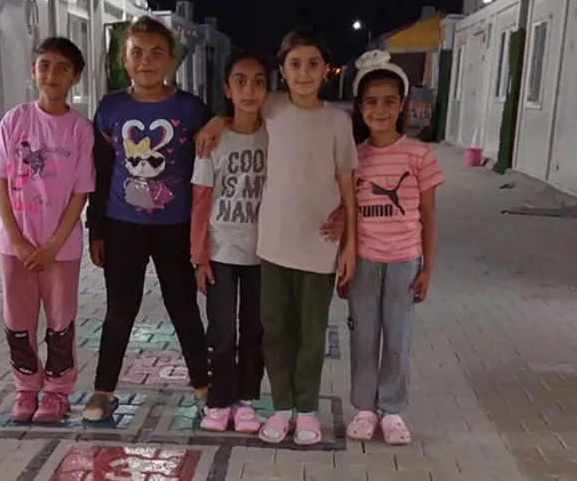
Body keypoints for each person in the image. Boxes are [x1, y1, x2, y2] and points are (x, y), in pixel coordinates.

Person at [196, 28, 358, 445]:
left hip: (320, 245)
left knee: (311, 332)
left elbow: (347, 183)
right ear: (282, 72)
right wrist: (215, 120)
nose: (304, 73)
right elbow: (238, 109)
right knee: (274, 330)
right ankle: (281, 406)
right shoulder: (272, 106)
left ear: (326, 69)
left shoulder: (338, 121)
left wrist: (349, 240)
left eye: (313, 64)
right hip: (271, 245)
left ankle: (307, 410)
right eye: (295, 64)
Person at [82, 16, 211, 422]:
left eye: (156, 53)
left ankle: (204, 388)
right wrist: (96, 229)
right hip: (122, 227)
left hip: (175, 228)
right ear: (124, 60)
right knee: (120, 310)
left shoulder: (190, 108)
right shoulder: (111, 108)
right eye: (136, 53)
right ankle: (103, 392)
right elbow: (101, 172)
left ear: (172, 59)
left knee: (184, 308)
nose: (146, 62)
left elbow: (211, 163)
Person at [0, 36, 95, 423]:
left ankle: (58, 391)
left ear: (75, 77)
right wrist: (16, 239)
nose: (52, 75)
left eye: (63, 68)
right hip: (15, 247)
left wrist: (53, 245)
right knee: (18, 321)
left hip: (60, 249)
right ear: (33, 71)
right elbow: (0, 182)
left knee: (60, 322)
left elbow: (81, 193)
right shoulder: (14, 121)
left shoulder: (80, 129)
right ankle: (26, 388)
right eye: (45, 65)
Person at [340, 50, 444, 445]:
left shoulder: (420, 155)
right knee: (363, 337)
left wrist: (427, 268)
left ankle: (392, 409)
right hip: (364, 262)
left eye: (388, 101)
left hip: (405, 263)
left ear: (402, 105)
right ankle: (364, 408)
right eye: (371, 102)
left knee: (397, 339)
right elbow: (347, 213)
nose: (380, 110)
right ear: (360, 106)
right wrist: (344, 260)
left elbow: (429, 215)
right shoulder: (353, 157)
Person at [190, 51, 270, 433]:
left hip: (265, 254)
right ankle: (220, 401)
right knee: (222, 333)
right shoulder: (213, 141)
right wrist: (199, 257)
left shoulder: (275, 137)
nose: (249, 90)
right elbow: (201, 200)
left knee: (255, 331)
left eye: (258, 82)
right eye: (240, 82)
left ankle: (247, 400)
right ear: (227, 89)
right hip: (221, 252)